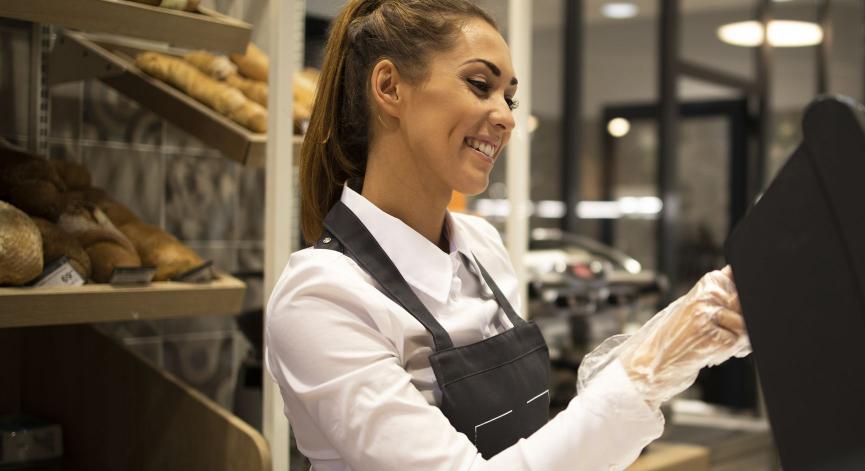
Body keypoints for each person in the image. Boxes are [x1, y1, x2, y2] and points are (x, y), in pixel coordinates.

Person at [265, 1, 750, 469]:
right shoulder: (322, 297)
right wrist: (645, 369)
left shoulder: (482, 249)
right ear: (390, 87)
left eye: (508, 97)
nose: (507, 117)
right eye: (480, 85)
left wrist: (680, 346)